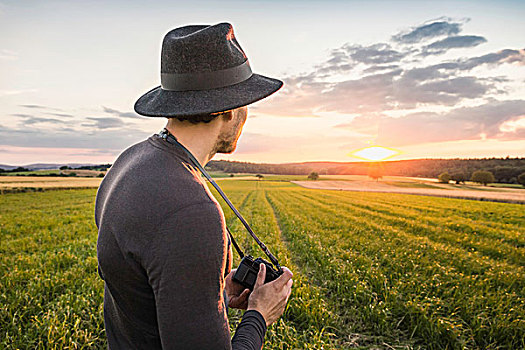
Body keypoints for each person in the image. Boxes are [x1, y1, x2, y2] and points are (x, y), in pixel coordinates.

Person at [95, 22, 293, 350]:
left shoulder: (128, 163)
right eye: (246, 101)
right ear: (229, 109)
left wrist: (208, 293)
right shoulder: (191, 211)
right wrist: (259, 315)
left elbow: (142, 289)